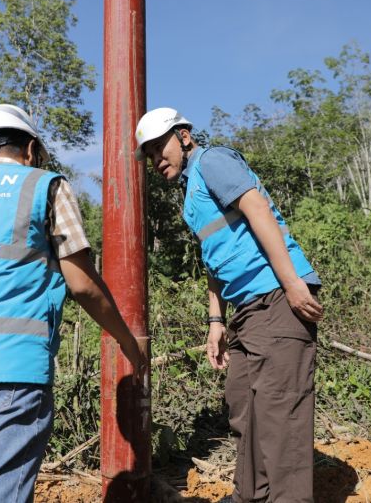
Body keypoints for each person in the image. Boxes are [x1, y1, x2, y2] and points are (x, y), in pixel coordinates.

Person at [0, 104, 144, 503]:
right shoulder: (44, 185)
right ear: (31, 148)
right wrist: (127, 340)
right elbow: (83, 284)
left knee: (0, 480)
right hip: (10, 361)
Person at [135, 107, 324, 503]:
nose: (156, 161)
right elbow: (214, 256)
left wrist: (290, 283)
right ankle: (249, 496)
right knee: (244, 407)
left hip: (274, 296)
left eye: (159, 149)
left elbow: (258, 210)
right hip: (245, 308)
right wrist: (216, 321)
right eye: (149, 155)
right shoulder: (191, 194)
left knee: (279, 413)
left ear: (184, 136)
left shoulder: (213, 161)